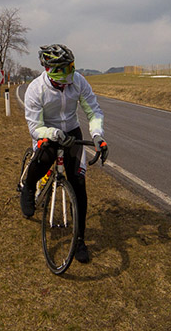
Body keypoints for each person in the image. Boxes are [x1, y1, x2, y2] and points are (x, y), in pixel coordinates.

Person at [21, 44, 109, 264]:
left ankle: (79, 239)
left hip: (72, 132)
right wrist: (53, 134)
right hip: (46, 131)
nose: (69, 74)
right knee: (43, 160)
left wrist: (97, 135)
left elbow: (93, 110)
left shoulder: (78, 81)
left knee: (79, 185)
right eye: (64, 69)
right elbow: (35, 127)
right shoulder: (36, 89)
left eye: (71, 67)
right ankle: (29, 187)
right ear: (49, 69)